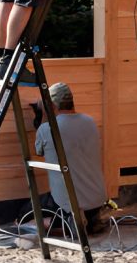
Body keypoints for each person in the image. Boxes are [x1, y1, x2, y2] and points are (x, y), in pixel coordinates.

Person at [35, 82, 108, 235]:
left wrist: (44, 114)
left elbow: (38, 151)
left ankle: (67, 226)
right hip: (96, 199)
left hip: (68, 204)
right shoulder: (90, 122)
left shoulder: (47, 129)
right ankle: (89, 222)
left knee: (25, 214)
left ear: (52, 105)